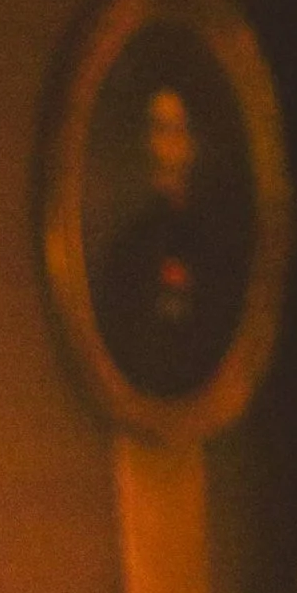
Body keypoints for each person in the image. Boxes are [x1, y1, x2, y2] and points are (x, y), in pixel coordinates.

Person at [89, 70, 241, 401]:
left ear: (192, 143)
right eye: (159, 129)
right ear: (147, 141)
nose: (168, 144)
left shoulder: (215, 243)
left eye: (177, 130)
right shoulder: (127, 246)